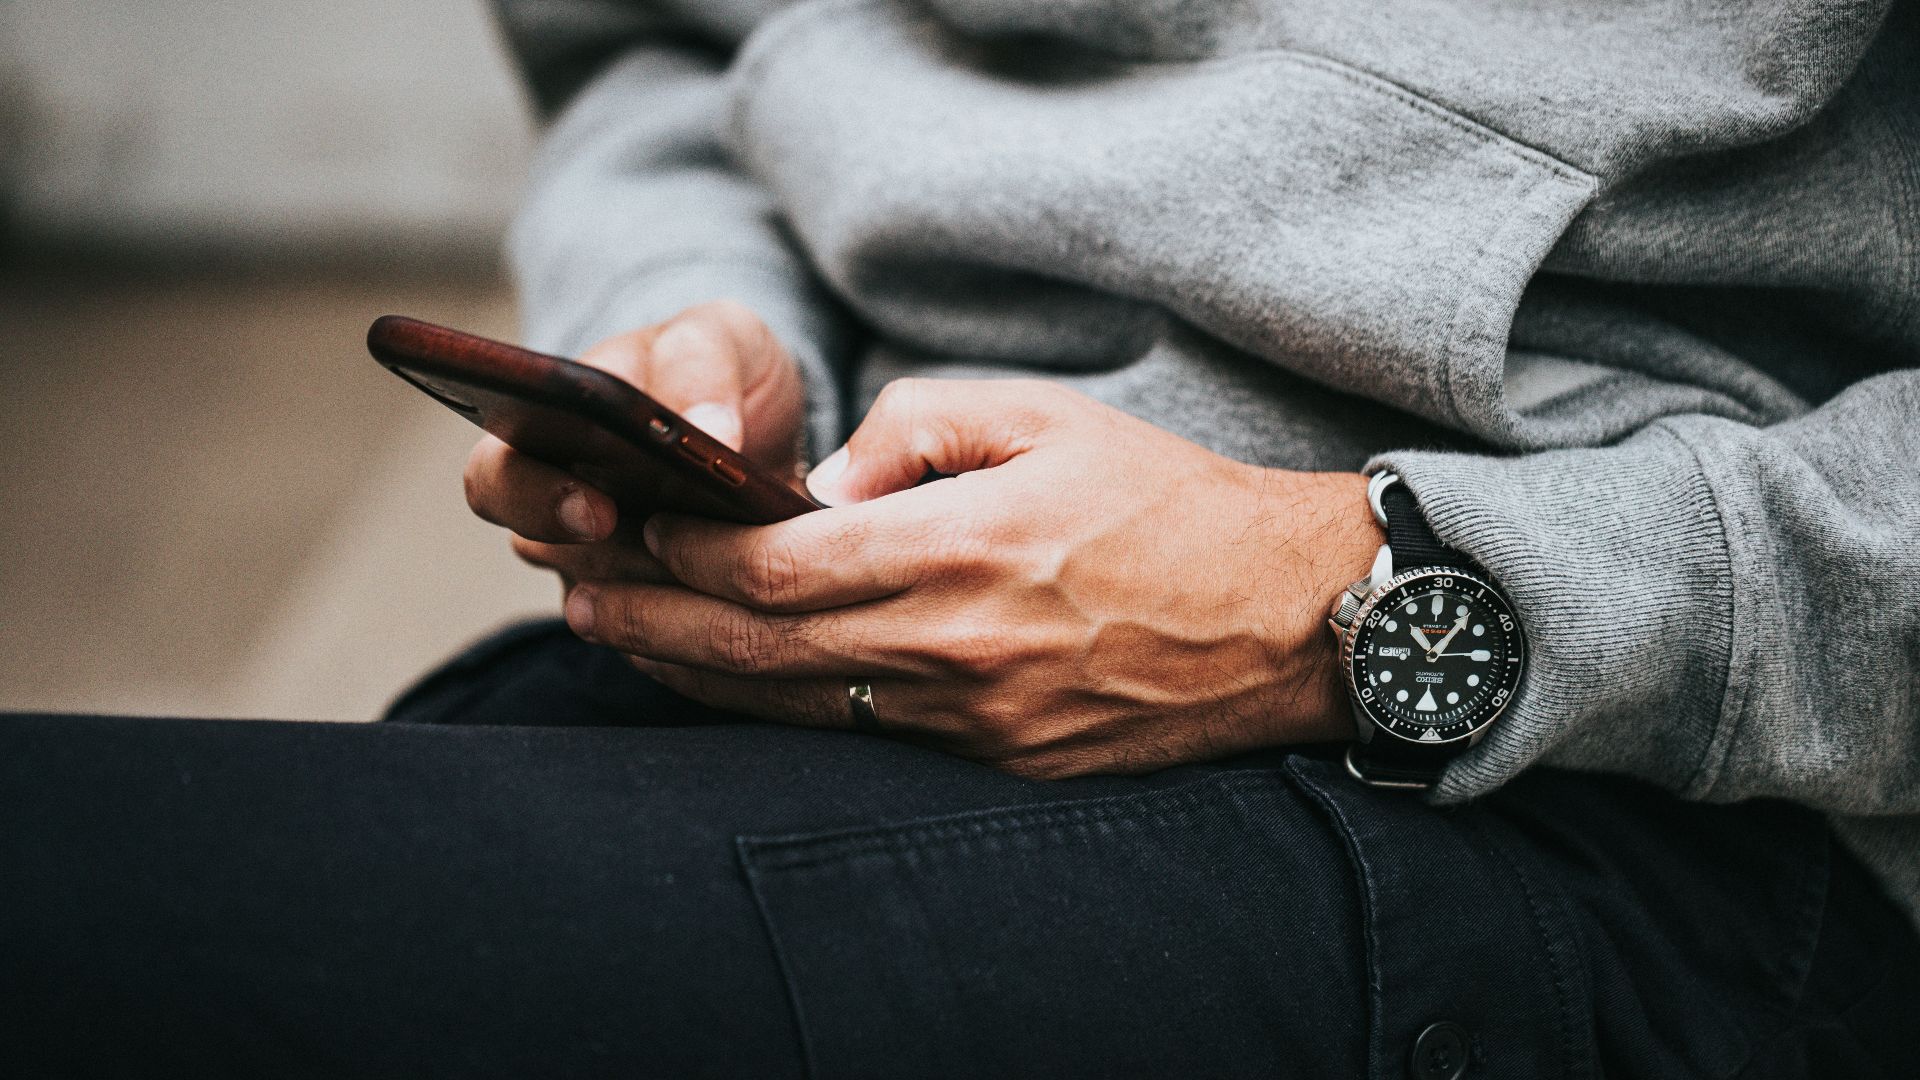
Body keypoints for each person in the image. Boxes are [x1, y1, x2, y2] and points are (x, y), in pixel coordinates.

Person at [4, 0, 1918, 1075]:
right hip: (863, 613)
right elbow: (665, 55)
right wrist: (700, 317)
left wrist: (1362, 602)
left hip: (1655, 796)